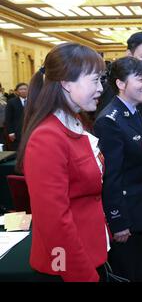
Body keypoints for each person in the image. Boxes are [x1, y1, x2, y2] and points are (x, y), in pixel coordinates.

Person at [16, 43, 108, 282]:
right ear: (66, 83)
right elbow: (54, 223)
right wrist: (83, 276)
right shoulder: (47, 137)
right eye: (95, 80)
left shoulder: (77, 122)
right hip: (68, 267)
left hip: (92, 251)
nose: (101, 89)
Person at [94, 57, 142, 281]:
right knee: (130, 271)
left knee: (141, 265)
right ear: (120, 84)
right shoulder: (109, 121)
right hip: (126, 210)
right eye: (139, 79)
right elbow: (111, 177)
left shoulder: (134, 110)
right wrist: (118, 221)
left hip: (141, 202)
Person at [5, 82, 28, 150]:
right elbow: (8, 118)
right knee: (18, 150)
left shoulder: (33, 101)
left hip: (30, 129)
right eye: (21, 89)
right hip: (17, 131)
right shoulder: (11, 102)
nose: (23, 90)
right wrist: (11, 132)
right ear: (17, 91)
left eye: (25, 89)